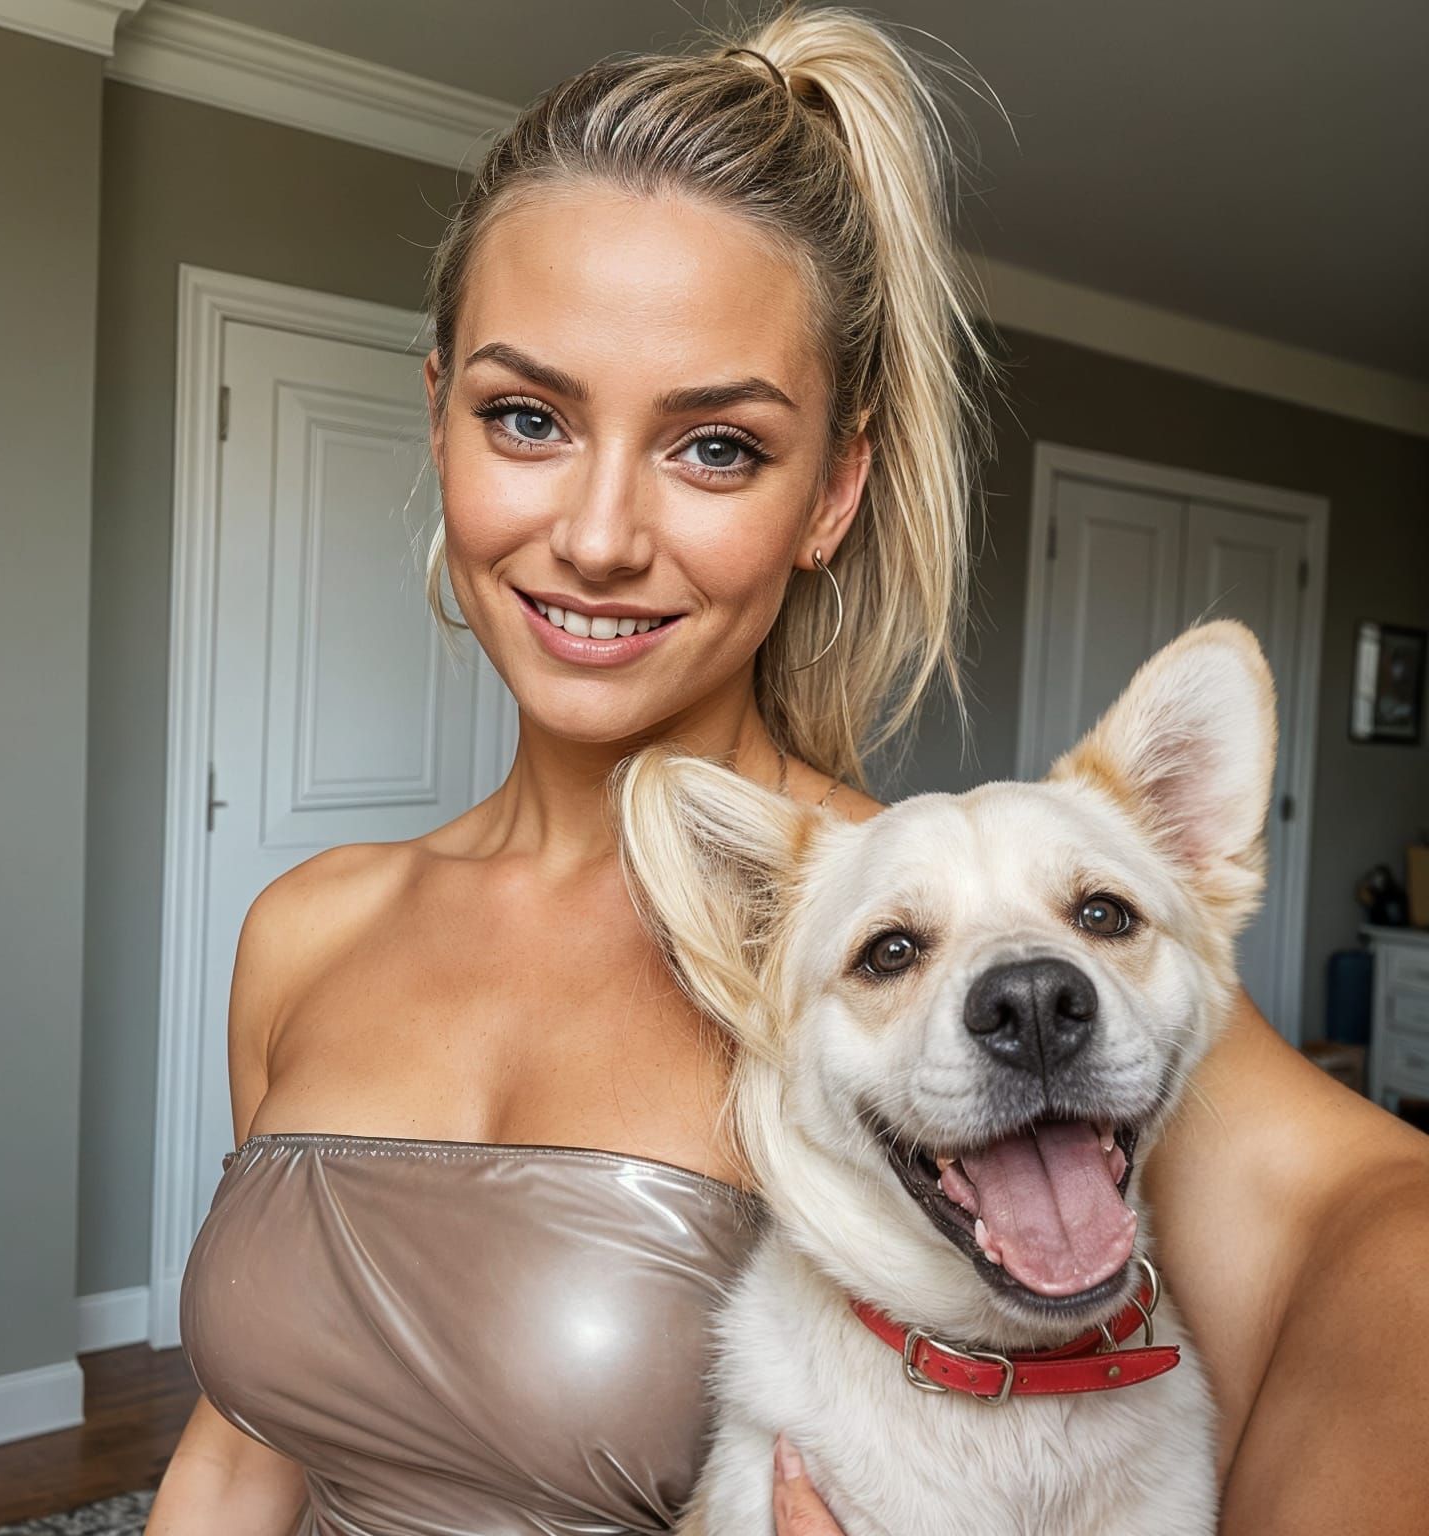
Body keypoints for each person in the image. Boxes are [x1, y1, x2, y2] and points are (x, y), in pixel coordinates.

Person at [147, 5, 1429, 1534]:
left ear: (832, 491)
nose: (600, 536)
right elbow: (245, 1446)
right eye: (527, 418)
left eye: (716, 447)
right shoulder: (306, 930)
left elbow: (1377, 1227)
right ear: (440, 424)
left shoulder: (922, 963)